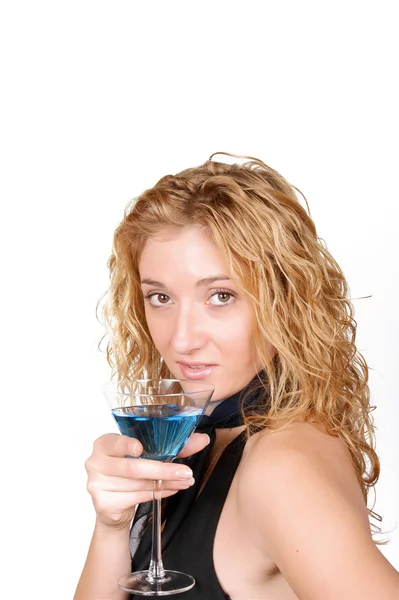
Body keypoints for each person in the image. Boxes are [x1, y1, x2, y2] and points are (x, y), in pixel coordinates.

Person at [74, 153, 399, 600]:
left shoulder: (282, 467)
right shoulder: (202, 436)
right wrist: (113, 525)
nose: (182, 339)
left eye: (221, 296)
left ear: (284, 301)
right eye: (161, 297)